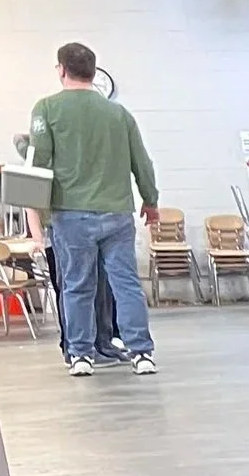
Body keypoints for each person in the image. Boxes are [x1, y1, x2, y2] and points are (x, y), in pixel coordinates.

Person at [29, 42, 160, 377]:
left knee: (76, 286)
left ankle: (81, 355)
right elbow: (141, 162)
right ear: (93, 71)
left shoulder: (46, 109)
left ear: (61, 69)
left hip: (70, 214)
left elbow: (38, 162)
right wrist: (151, 200)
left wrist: (37, 216)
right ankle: (141, 353)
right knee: (126, 284)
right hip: (117, 213)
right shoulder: (120, 114)